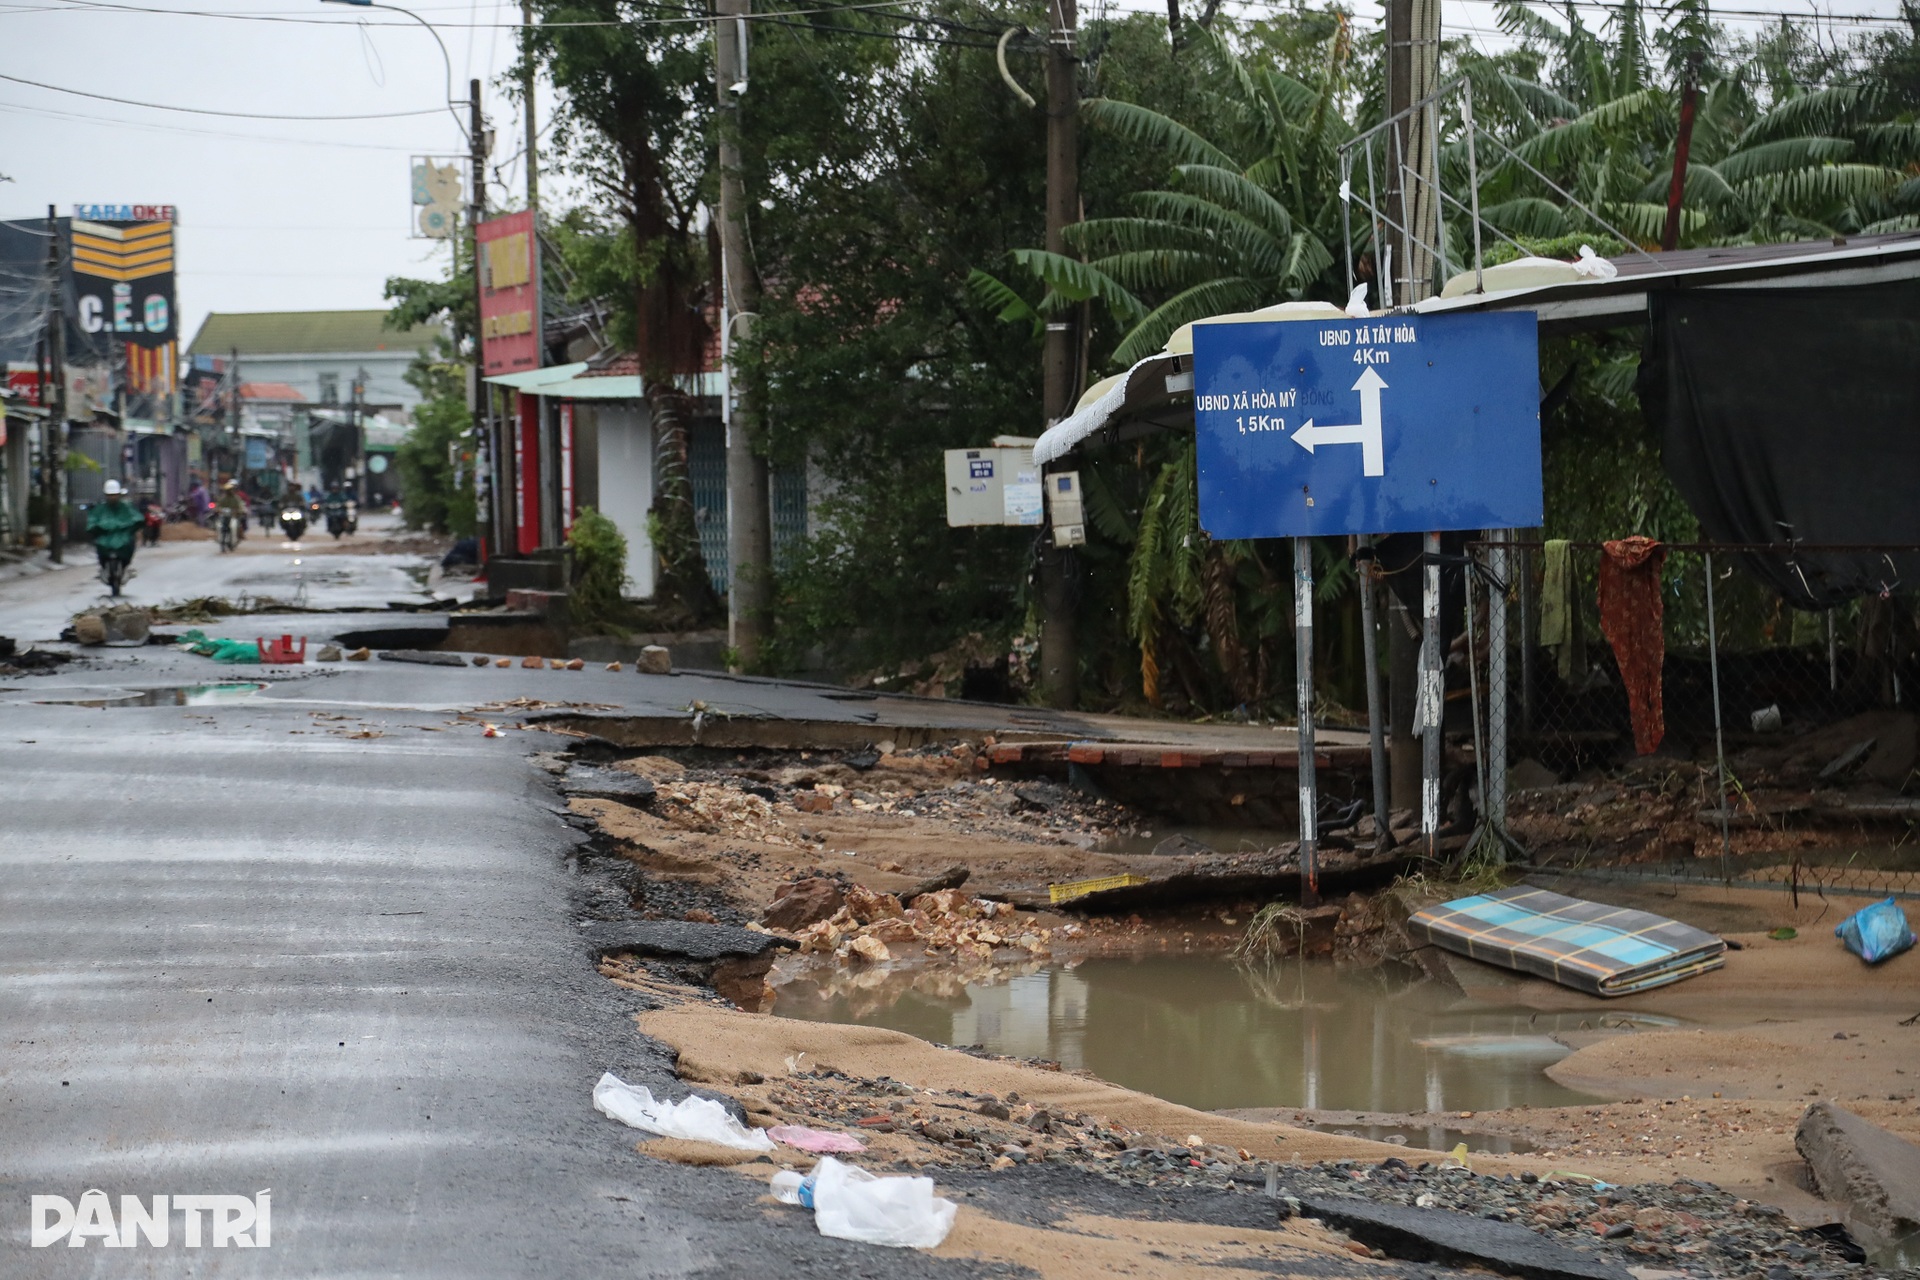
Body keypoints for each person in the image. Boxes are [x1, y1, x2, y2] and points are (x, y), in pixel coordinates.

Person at [87, 480, 143, 580]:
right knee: (99, 545)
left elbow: (137, 517)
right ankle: (103, 567)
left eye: (115, 495)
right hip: (106, 538)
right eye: (110, 495)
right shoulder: (100, 509)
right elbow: (92, 520)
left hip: (123, 537)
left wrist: (131, 526)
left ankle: (125, 566)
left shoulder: (126, 507)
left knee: (129, 543)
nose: (112, 497)